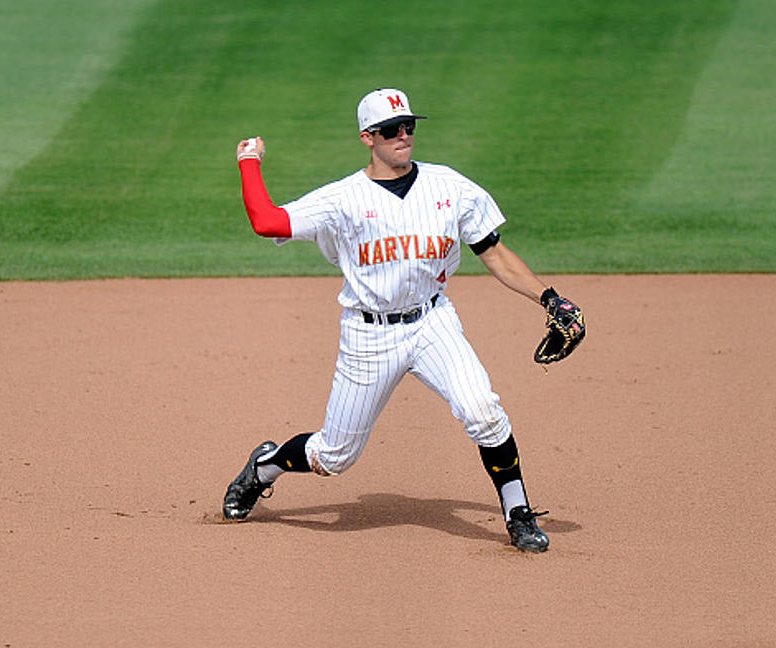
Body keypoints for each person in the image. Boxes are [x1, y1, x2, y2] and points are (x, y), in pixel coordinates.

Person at [224, 88, 579, 552]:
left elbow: (493, 253)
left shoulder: (449, 187)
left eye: (409, 126)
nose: (404, 135)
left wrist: (549, 298)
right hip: (368, 336)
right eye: (392, 129)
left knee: (483, 411)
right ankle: (265, 467)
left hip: (433, 323)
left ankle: (518, 514)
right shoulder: (343, 199)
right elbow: (267, 222)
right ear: (368, 137)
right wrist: (249, 161)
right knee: (334, 456)